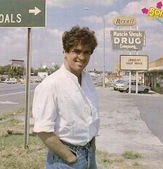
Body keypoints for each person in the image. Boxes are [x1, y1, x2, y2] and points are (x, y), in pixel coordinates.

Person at [32, 26, 100, 169]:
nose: (82, 57)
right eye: (76, 51)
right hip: (66, 159)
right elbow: (43, 130)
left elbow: (90, 117)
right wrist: (70, 158)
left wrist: (92, 148)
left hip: (89, 153)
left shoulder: (88, 80)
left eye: (87, 52)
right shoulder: (51, 84)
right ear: (65, 51)